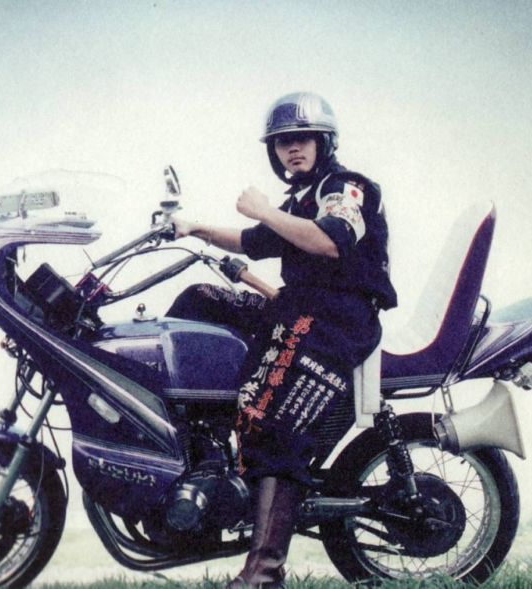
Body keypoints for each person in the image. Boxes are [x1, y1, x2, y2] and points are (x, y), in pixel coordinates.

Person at [167, 91, 397, 588]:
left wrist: (266, 210)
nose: (292, 148)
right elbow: (250, 241)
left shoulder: (347, 187)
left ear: (324, 142)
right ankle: (206, 453)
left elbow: (330, 240)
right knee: (199, 301)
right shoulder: (300, 201)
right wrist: (195, 228)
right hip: (297, 308)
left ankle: (265, 572)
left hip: (338, 317)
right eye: (282, 142)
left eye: (302, 139)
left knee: (274, 423)